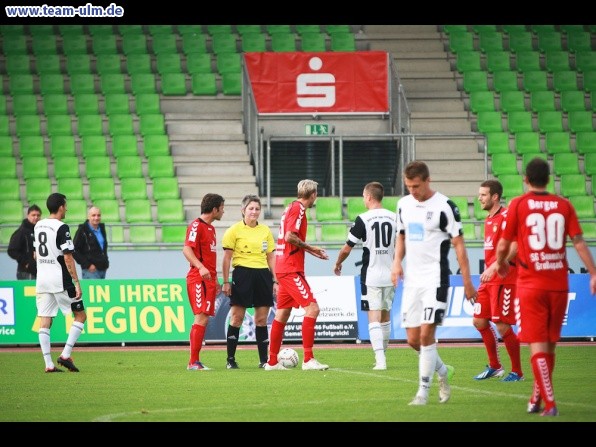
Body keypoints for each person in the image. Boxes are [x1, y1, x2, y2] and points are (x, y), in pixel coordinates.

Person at [495, 157, 596, 416]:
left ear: (526, 180)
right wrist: (593, 273)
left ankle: (550, 404)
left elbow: (505, 244)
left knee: (537, 346)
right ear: (549, 179)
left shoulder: (518, 204)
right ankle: (537, 397)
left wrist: (500, 263)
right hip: (559, 284)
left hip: (531, 285)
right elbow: (579, 243)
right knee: (550, 345)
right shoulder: (564, 205)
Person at [391, 160, 477, 405]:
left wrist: (467, 282)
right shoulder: (403, 205)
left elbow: (459, 245)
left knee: (427, 333)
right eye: (408, 186)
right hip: (412, 281)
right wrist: (397, 262)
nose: (412, 191)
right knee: (412, 340)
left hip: (436, 279)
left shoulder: (445, 206)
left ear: (428, 181)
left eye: (416, 186)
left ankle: (423, 392)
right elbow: (402, 236)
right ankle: (442, 371)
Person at [264, 179, 330, 371]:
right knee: (313, 309)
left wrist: (311, 251)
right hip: (290, 268)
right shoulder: (299, 209)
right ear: (313, 195)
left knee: (282, 314)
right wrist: (311, 248)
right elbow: (290, 236)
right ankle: (308, 359)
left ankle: (272, 362)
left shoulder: (290, 208)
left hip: (285, 267)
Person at [334, 182, 396, 370]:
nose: (363, 199)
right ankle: (383, 356)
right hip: (391, 274)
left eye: (363, 196)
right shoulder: (395, 218)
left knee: (374, 317)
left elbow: (347, 247)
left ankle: (380, 361)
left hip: (371, 275)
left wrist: (338, 263)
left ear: (369, 197)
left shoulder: (363, 219)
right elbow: (404, 245)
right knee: (385, 316)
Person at [473, 180, 524, 382]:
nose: (479, 198)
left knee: (502, 325)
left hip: (504, 277)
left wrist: (495, 266)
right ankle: (495, 366)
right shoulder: (489, 219)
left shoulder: (506, 217)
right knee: (479, 321)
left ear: (495, 197)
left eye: (483, 195)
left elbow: (517, 245)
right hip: (489, 280)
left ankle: (517, 372)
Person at [221, 194, 277, 369]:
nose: (254, 212)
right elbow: (226, 258)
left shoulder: (265, 231)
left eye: (257, 209)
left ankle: (263, 361)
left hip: (262, 276)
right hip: (242, 275)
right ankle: (230, 360)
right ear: (243, 210)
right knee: (237, 318)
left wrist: (275, 280)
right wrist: (225, 281)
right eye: (251, 208)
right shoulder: (234, 230)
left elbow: (271, 257)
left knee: (261, 320)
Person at [34, 193, 85, 373]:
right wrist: (76, 282)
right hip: (60, 279)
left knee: (45, 319)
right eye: (66, 205)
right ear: (61, 207)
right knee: (80, 315)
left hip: (42, 279)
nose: (67, 209)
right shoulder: (61, 227)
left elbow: (36, 254)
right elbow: (68, 257)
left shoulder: (38, 225)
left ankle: (48, 364)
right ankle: (65, 355)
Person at [183, 193, 225, 371]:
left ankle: (195, 361)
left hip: (208, 281)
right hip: (197, 279)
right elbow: (186, 249)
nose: (223, 211)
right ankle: (193, 362)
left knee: (204, 319)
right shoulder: (196, 226)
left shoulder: (211, 229)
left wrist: (215, 281)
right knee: (200, 317)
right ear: (214, 209)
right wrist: (200, 267)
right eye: (222, 208)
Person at [73, 206, 109, 279]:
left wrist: (106, 262)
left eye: (98, 215)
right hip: (90, 271)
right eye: (93, 215)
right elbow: (74, 250)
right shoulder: (82, 230)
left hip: (102, 269)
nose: (96, 218)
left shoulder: (101, 229)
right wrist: (87, 265)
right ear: (88, 216)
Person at [8, 204, 42, 280]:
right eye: (33, 215)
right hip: (26, 272)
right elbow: (12, 250)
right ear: (28, 216)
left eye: (38, 215)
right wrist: (26, 263)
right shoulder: (21, 232)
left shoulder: (40, 231)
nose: (36, 217)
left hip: (39, 272)